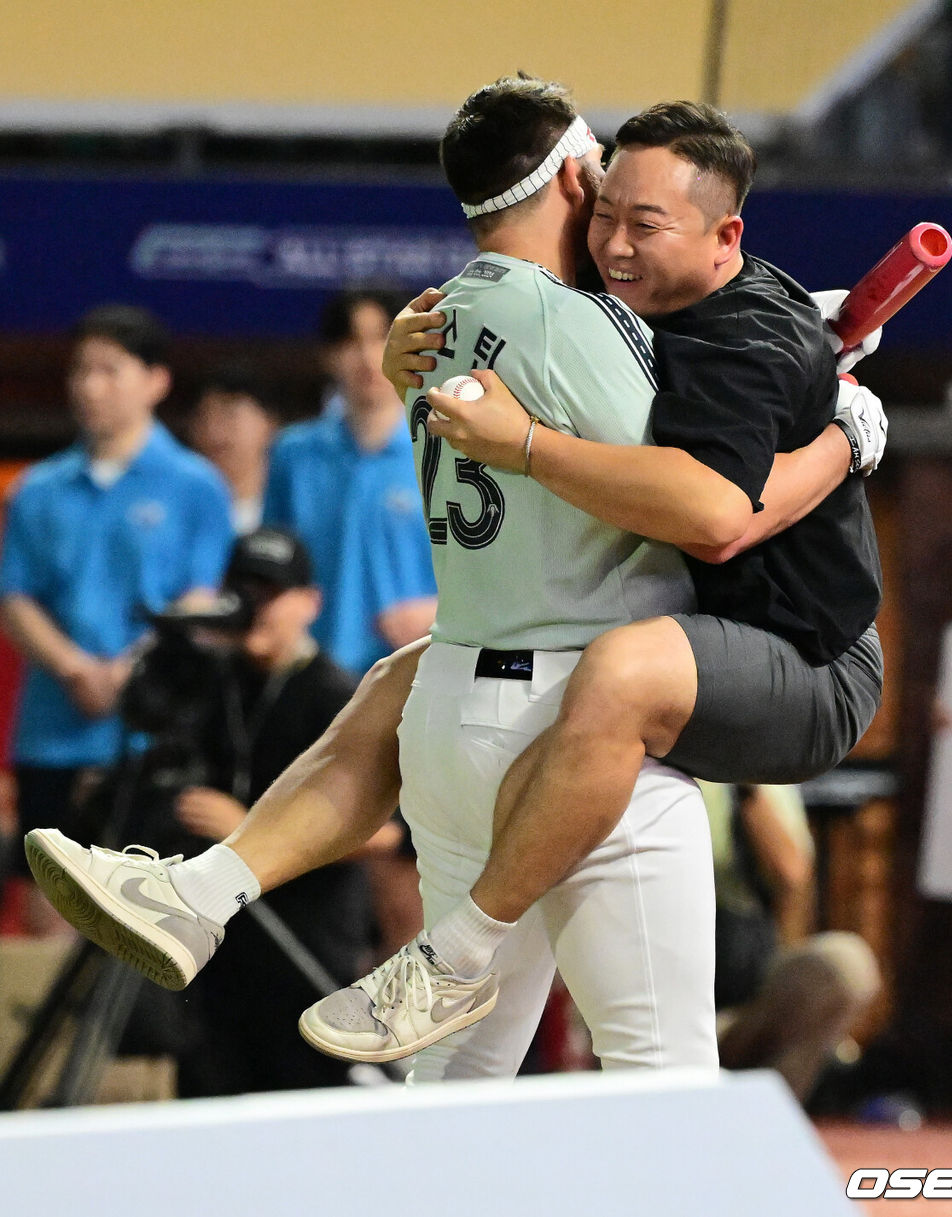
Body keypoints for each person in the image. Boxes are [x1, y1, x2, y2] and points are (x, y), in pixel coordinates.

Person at [24, 82, 884, 1075]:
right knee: (662, 1079)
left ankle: (204, 890)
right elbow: (708, 501)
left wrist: (794, 346)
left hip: (452, 717)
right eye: (606, 202)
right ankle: (421, 943)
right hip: (578, 723)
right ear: (572, 176)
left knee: (453, 1094)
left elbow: (701, 349)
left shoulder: (440, 313)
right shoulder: (583, 326)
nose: (614, 238)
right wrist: (833, 427)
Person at [1, 304, 233, 926]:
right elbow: (15, 596)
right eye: (80, 370)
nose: (88, 385)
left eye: (109, 369)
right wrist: (76, 668)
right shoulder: (37, 488)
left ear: (156, 381)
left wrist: (125, 673)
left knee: (141, 914)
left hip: (149, 736)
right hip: (53, 728)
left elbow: (199, 601)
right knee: (49, 901)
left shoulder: (195, 484)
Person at [162, 528, 395, 1094]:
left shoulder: (337, 695)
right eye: (241, 590)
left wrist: (244, 833)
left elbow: (386, 835)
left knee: (300, 1103)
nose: (254, 607)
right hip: (214, 952)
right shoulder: (215, 686)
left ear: (310, 603)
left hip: (304, 949)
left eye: (271, 592)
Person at [262, 290, 437, 678]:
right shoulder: (293, 454)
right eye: (351, 342)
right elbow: (271, 570)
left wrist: (438, 611)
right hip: (309, 675)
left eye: (382, 337)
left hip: (416, 672)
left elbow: (491, 574)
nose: (367, 357)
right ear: (327, 355)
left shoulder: (446, 447)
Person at [701, 781, 881, 1103]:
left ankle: (765, 1121)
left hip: (738, 1010)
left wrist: (745, 781)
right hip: (658, 1017)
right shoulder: (636, 760)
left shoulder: (753, 769)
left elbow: (791, 873)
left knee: (846, 963)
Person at [189, 363, 278, 535]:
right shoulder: (182, 508)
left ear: (269, 423)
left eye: (229, 414)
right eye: (203, 417)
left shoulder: (287, 509)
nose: (213, 430)